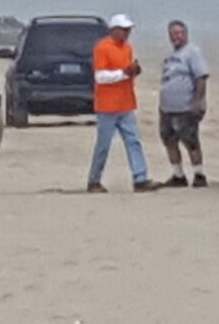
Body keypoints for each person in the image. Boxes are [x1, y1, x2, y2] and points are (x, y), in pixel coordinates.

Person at [86, 15, 154, 193]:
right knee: (103, 145)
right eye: (124, 29)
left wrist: (133, 72)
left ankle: (140, 178)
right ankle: (94, 180)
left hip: (126, 104)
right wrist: (124, 73)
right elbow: (100, 77)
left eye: (128, 30)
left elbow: (126, 72)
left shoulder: (128, 48)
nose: (127, 33)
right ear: (114, 29)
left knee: (134, 142)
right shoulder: (103, 47)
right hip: (107, 106)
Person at [158, 19, 211, 188]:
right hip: (167, 108)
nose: (176, 37)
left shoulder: (192, 52)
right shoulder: (171, 57)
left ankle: (199, 174)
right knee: (169, 140)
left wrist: (198, 101)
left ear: (186, 34)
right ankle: (178, 175)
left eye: (179, 33)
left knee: (191, 141)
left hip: (185, 106)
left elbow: (201, 78)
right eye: (173, 34)